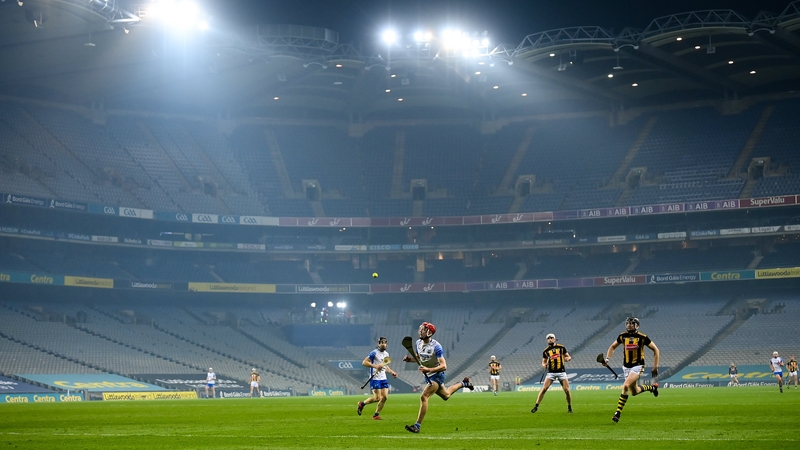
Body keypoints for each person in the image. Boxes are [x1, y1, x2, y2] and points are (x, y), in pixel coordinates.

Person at [404, 322, 474, 434]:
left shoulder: (436, 347)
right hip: (428, 375)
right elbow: (419, 357)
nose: (420, 331)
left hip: (437, 375)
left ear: (429, 332)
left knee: (424, 397)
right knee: (446, 395)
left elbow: (444, 366)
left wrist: (429, 370)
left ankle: (417, 426)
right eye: (421, 329)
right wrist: (410, 360)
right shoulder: (418, 343)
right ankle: (464, 383)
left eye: (423, 329)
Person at [604, 317, 660, 423]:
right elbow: (612, 347)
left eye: (632, 323)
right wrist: (607, 359)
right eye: (628, 323)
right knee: (635, 391)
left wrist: (655, 366)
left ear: (637, 326)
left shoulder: (642, 337)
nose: (629, 325)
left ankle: (617, 413)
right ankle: (652, 388)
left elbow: (656, 350)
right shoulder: (622, 336)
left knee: (625, 386)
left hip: (638, 366)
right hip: (626, 367)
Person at [357, 337, 398, 420]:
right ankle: (362, 404)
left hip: (383, 378)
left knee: (385, 397)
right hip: (375, 378)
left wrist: (392, 372)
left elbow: (385, 366)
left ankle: (376, 415)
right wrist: (375, 366)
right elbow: (364, 362)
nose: (383, 344)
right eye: (381, 342)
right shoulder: (374, 353)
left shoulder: (386, 354)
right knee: (377, 398)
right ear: (378, 344)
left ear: (387, 344)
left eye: (384, 342)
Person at [531, 333, 573, 414]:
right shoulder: (546, 351)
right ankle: (536, 406)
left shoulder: (561, 347)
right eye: (548, 338)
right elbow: (543, 361)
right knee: (544, 389)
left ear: (555, 339)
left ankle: (569, 407)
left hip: (561, 372)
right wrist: (544, 365)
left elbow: (568, 356)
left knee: (567, 390)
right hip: (551, 373)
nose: (550, 339)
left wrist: (568, 358)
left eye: (551, 338)